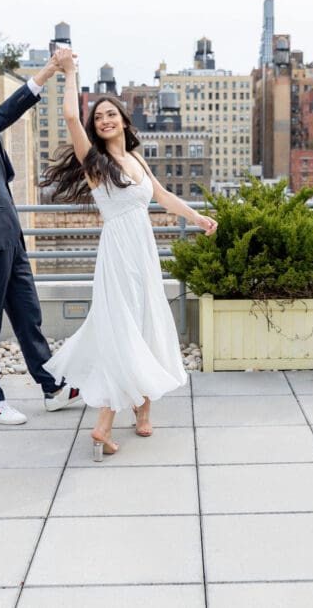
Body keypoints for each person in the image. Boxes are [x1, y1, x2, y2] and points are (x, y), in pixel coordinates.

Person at [41, 51, 217, 460]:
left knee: (146, 323)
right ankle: (104, 423)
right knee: (123, 329)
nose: (104, 120)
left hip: (143, 251)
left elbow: (161, 195)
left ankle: (141, 410)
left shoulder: (136, 158)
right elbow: (70, 117)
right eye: (98, 116)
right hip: (118, 252)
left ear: (123, 119)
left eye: (110, 114)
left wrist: (197, 217)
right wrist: (70, 73)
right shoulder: (96, 162)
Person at [0, 53, 82, 424]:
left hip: (9, 236)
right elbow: (1, 118)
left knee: (27, 315)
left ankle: (53, 387)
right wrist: (48, 72)